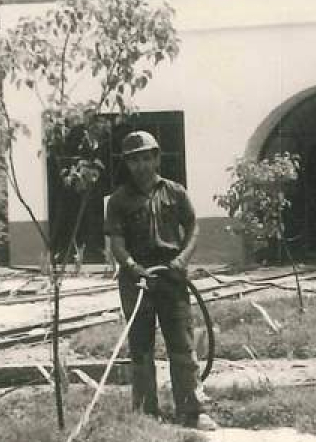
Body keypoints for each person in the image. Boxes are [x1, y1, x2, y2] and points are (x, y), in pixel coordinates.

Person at [105, 130, 218, 431]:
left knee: (181, 343)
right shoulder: (118, 200)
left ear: (156, 158)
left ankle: (192, 411)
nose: (141, 166)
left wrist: (182, 260)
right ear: (127, 164)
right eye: (134, 160)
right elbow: (116, 242)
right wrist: (131, 266)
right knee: (141, 347)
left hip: (172, 276)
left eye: (146, 158)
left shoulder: (175, 192)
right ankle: (146, 413)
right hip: (136, 281)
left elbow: (193, 226)